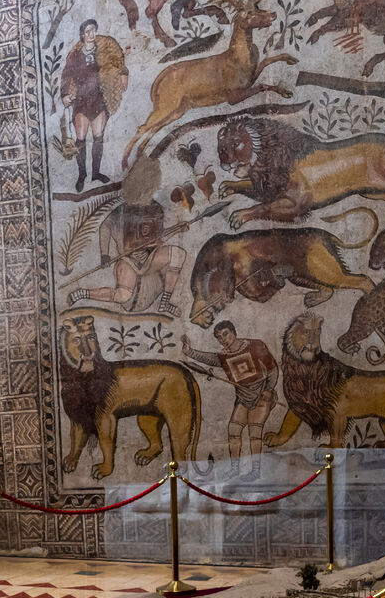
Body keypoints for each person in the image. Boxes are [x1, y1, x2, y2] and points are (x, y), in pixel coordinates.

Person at [182, 321, 277, 480]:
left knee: (254, 434)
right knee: (233, 431)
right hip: (243, 398)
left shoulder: (255, 345)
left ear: (233, 332)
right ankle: (235, 469)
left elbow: (272, 369)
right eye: (219, 337)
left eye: (225, 334)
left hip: (261, 395)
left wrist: (268, 390)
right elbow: (209, 358)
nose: (223, 339)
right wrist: (189, 351)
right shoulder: (224, 357)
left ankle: (255, 471)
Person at [68, 193, 185, 316]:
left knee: (178, 254)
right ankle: (84, 293)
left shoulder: (155, 209)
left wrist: (177, 229)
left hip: (150, 260)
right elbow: (105, 226)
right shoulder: (123, 210)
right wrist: (104, 254)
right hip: (129, 260)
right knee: (122, 295)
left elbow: (159, 237)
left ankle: (165, 302)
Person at [60, 19, 128, 191]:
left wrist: (123, 73)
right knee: (81, 138)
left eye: (93, 30)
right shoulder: (75, 55)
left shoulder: (102, 50)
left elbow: (117, 60)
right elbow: (66, 75)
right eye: (88, 31)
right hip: (81, 101)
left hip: (99, 98)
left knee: (98, 137)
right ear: (82, 35)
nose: (92, 34)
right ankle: (82, 174)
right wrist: (65, 94)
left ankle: (96, 173)